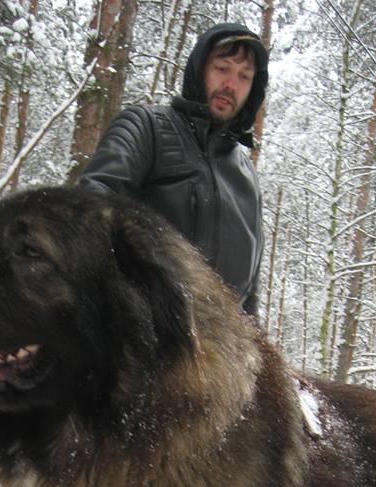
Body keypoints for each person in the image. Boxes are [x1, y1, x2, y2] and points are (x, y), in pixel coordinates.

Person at [78, 22, 269, 318]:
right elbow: (90, 210)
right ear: (200, 68)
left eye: (244, 77)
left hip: (217, 352)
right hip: (143, 330)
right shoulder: (145, 127)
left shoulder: (247, 176)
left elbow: (250, 290)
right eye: (222, 69)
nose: (231, 85)